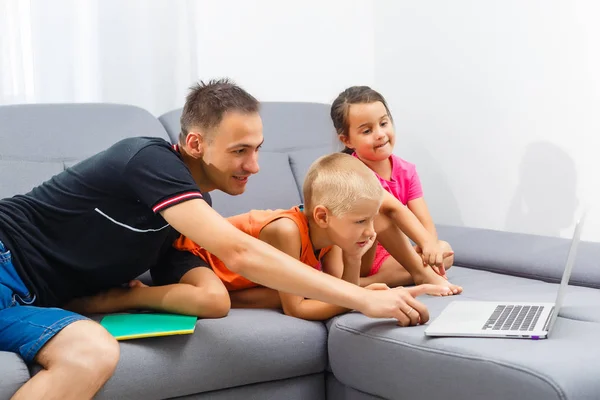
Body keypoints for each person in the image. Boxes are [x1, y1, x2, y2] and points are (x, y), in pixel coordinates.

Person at [0, 79, 433, 400]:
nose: (256, 165)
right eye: (240, 150)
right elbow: (239, 251)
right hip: (5, 256)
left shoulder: (188, 209)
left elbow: (205, 280)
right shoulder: (147, 159)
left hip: (33, 301)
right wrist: (361, 299)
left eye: (259, 148)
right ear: (194, 143)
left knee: (93, 352)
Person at [165, 153, 451, 321]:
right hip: (188, 256)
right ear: (323, 217)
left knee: (298, 289)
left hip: (241, 277)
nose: (369, 231)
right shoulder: (287, 231)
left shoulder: (333, 239)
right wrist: (362, 298)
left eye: (370, 220)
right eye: (361, 221)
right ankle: (133, 296)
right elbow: (297, 309)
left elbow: (340, 288)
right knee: (217, 302)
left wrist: (354, 258)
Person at [330, 85, 462, 292]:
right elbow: (392, 209)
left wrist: (430, 246)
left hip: (391, 255)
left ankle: (367, 284)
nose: (380, 134)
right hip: (358, 255)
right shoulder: (351, 171)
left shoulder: (406, 170)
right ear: (347, 140)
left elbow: (425, 224)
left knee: (445, 252)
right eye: (367, 131)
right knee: (376, 211)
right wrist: (424, 251)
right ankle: (419, 274)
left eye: (384, 123)